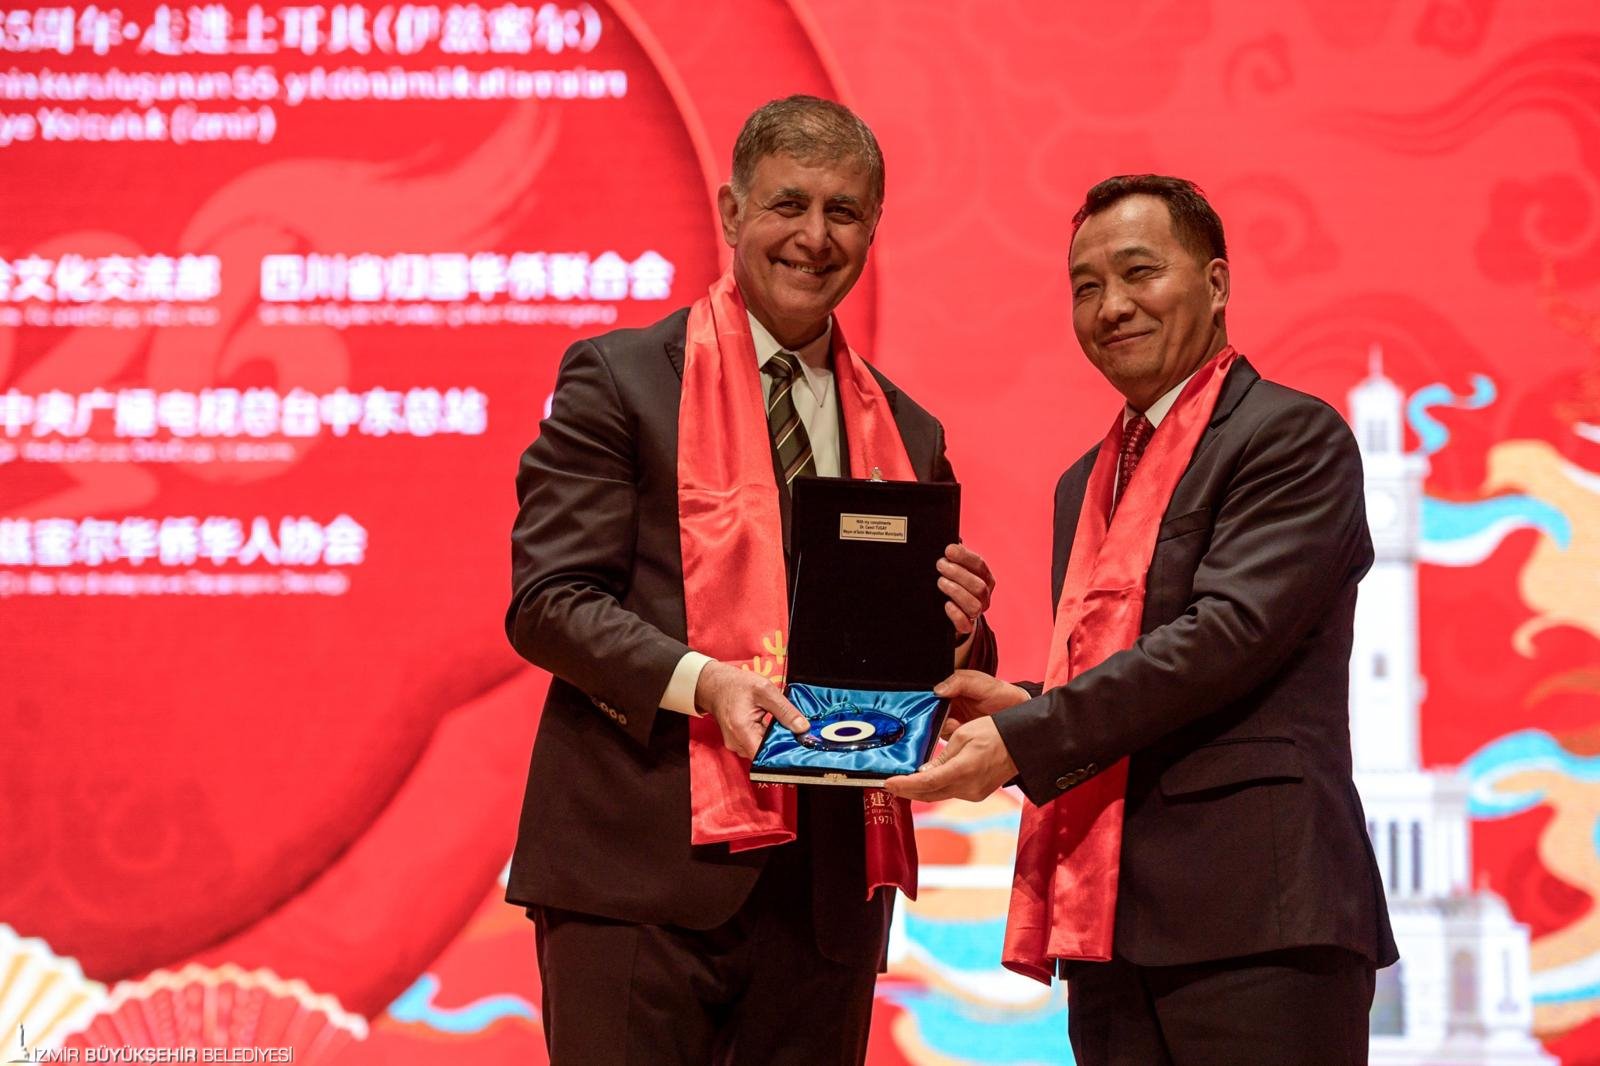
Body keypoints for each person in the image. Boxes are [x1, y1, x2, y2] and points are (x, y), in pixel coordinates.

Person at [505, 95, 997, 1065]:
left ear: (873, 230)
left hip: (824, 896)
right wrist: (706, 684)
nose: (815, 237)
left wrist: (960, 626)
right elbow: (550, 603)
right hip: (638, 875)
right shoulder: (620, 380)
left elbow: (922, 663)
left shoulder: (907, 428)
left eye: (843, 212)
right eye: (788, 205)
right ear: (732, 212)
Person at [888, 175, 1396, 1065]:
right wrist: (1026, 703)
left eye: (1138, 273)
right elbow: (1118, 670)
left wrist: (1027, 738)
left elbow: (1221, 640)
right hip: (1112, 926)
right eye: (1086, 287)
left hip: (1261, 919)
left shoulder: (1290, 438)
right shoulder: (1084, 483)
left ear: (1217, 283)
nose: (1111, 306)